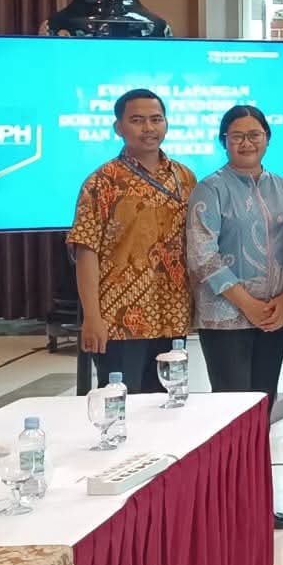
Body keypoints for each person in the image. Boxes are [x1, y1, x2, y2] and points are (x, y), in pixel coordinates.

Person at [185, 104, 283, 529]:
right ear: (223, 141)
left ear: (267, 138)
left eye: (254, 134)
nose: (246, 142)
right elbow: (202, 255)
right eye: (237, 136)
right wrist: (245, 302)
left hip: (273, 317)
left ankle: (256, 505)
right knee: (232, 415)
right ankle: (227, 511)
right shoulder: (210, 189)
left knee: (262, 411)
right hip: (226, 319)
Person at [68, 88, 196, 394]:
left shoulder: (185, 177)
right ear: (119, 127)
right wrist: (92, 317)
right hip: (119, 320)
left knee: (167, 405)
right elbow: (86, 250)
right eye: (137, 120)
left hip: (172, 315)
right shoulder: (102, 181)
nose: (148, 128)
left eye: (156, 119)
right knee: (122, 402)